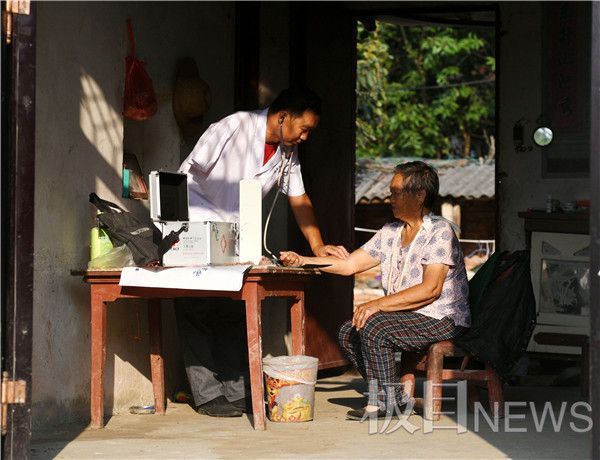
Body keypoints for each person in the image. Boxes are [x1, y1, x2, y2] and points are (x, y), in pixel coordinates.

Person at [175, 87, 349, 417]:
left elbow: (299, 198)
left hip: (233, 238)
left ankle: (237, 390)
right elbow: (189, 175)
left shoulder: (287, 152)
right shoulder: (233, 126)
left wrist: (317, 245)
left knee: (231, 308)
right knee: (197, 308)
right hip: (194, 224)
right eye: (304, 129)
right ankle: (207, 394)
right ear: (283, 117)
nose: (305, 137)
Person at [280, 161, 471, 420]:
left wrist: (376, 304)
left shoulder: (440, 232)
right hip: (410, 316)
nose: (390, 198)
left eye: (396, 192)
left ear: (420, 195)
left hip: (442, 318)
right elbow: (349, 264)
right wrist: (303, 260)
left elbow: (431, 289)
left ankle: (383, 401)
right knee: (349, 331)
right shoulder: (390, 232)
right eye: (390, 192)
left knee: (373, 324)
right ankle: (394, 396)